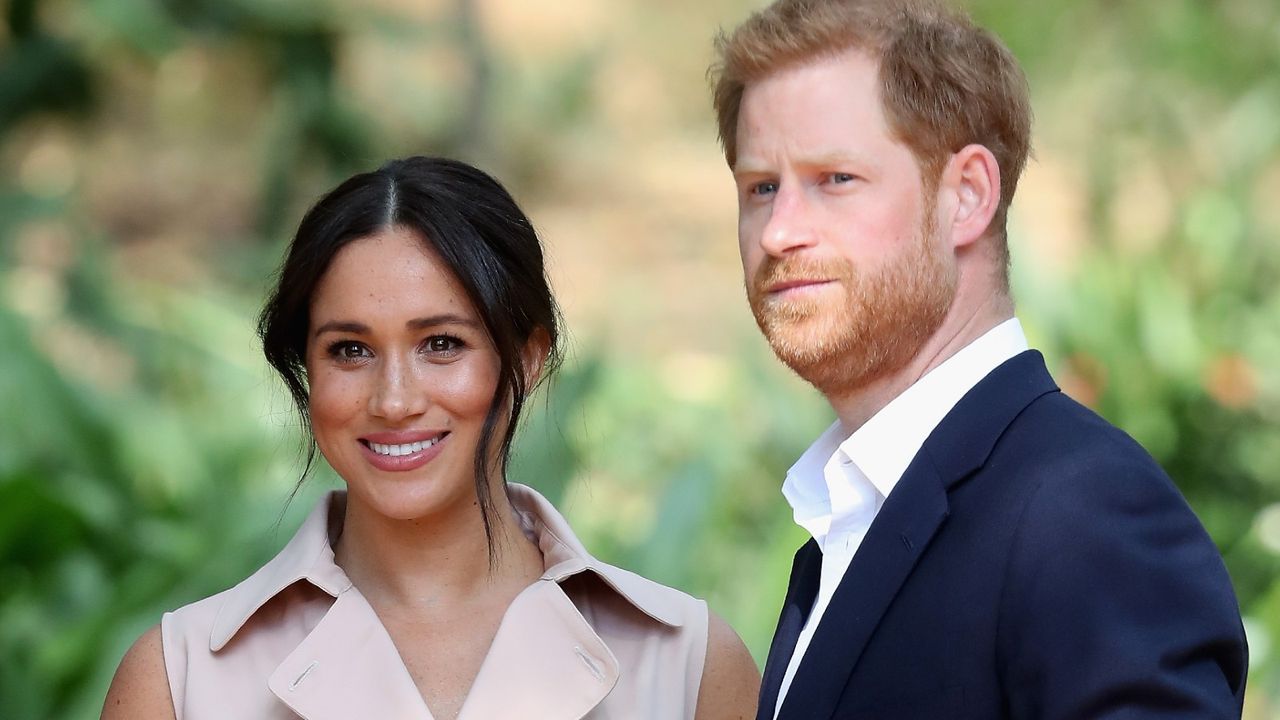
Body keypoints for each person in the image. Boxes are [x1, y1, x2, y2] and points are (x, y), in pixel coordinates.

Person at [708, 1, 1248, 718]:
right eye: (761, 188)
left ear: (967, 196)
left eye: (834, 178)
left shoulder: (1085, 514)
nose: (778, 231)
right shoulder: (848, 521)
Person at [102, 156, 760, 719]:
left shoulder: (689, 668)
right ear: (306, 370)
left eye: (441, 344)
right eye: (350, 350)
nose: (394, 400)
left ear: (527, 358)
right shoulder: (179, 681)